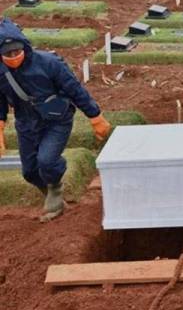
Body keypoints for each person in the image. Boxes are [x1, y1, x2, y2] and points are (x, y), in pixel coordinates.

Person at [0, 18, 111, 222]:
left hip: (56, 120)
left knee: (47, 161)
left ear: (25, 47)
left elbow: (74, 89)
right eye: (8, 54)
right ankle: (51, 190)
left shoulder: (49, 63)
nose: (14, 57)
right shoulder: (2, 72)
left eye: (17, 51)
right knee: (29, 171)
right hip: (26, 123)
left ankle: (55, 187)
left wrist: (94, 116)